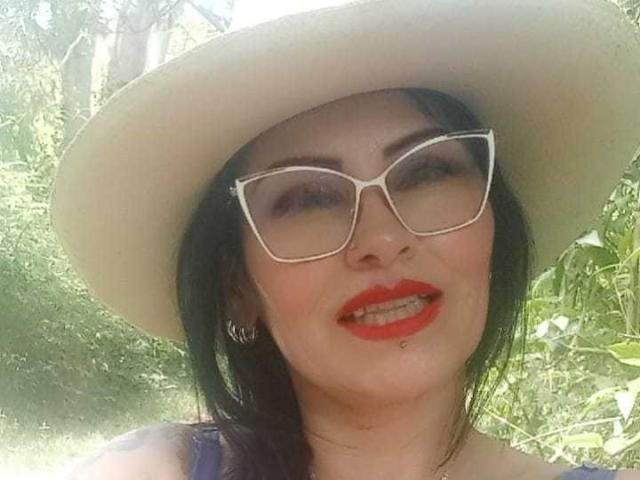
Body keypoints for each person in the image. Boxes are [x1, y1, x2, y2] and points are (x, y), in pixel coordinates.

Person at [50, 0, 640, 479]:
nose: (381, 237)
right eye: (309, 199)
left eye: (425, 172)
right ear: (237, 288)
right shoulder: (154, 471)